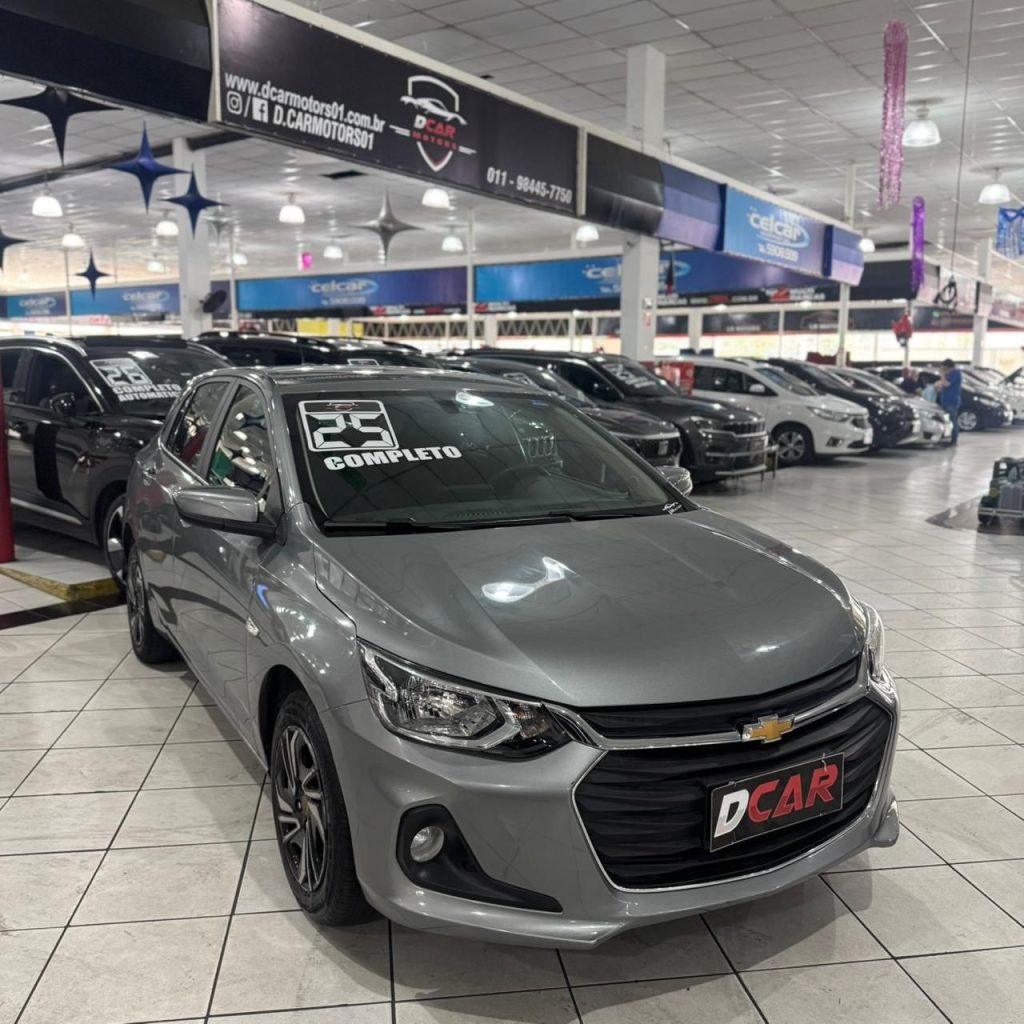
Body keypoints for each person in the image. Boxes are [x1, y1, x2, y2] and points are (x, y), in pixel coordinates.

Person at [938, 358, 963, 445]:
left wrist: (942, 374)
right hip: (945, 401)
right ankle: (946, 439)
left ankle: (953, 441)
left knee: (952, 421)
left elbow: (946, 384)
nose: (943, 370)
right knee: (947, 421)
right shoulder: (948, 374)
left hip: (952, 401)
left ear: (948, 367)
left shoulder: (955, 373)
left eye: (944, 368)